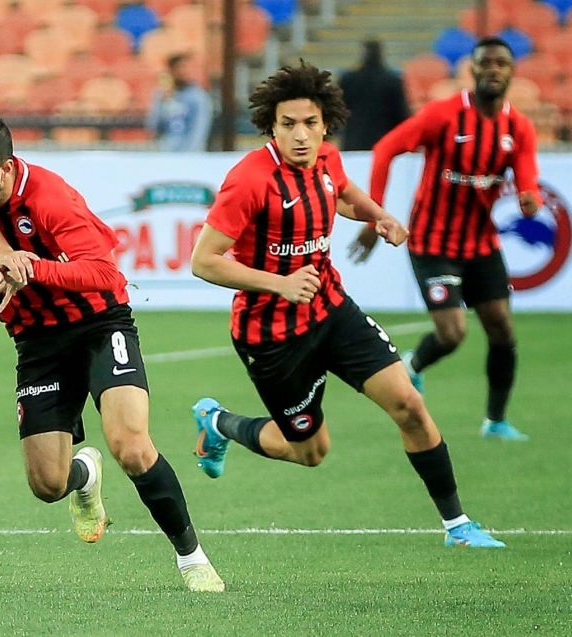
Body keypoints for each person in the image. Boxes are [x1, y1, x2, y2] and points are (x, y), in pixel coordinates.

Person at [189, 61, 505, 549]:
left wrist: (380, 217)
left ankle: (458, 526)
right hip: (272, 336)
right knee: (310, 452)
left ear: (325, 125)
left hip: (332, 310)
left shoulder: (327, 161)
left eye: (310, 123)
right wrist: (279, 284)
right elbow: (204, 261)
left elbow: (346, 194)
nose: (300, 135)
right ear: (271, 127)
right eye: (288, 124)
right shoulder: (249, 180)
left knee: (409, 404)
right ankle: (219, 423)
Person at [0, 113, 226, 592]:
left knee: (131, 445)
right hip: (37, 342)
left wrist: (33, 268)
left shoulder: (49, 198)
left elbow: (104, 274)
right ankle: (85, 474)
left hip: (99, 325)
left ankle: (192, 557)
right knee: (47, 485)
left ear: (5, 168)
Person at [348, 36, 538, 442]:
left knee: (502, 328)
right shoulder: (444, 115)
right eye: (485, 63)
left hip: (481, 244)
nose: (493, 70)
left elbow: (527, 179)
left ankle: (496, 422)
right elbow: (385, 149)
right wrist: (375, 215)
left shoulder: (518, 127)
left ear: (511, 72)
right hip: (433, 243)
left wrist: (530, 199)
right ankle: (413, 365)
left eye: (501, 63)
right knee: (452, 334)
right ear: (472, 70)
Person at [337, 39, 410, 151]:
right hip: (385, 143)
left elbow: (338, 112)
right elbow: (401, 114)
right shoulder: (393, 81)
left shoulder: (348, 80)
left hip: (354, 142)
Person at [145, 53, 213, 152]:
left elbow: (199, 130)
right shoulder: (161, 95)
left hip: (189, 155)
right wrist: (163, 103)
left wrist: (188, 155)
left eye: (186, 67)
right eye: (179, 67)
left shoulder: (198, 97)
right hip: (165, 153)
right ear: (171, 70)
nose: (183, 71)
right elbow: (153, 127)